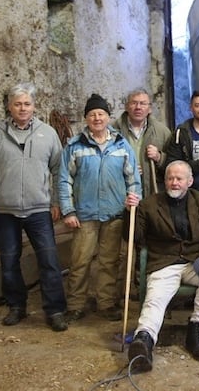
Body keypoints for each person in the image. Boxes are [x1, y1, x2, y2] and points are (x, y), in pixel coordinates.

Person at [0, 83, 68, 332]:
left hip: (39, 210)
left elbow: (59, 171)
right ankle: (17, 306)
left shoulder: (48, 133)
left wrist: (57, 202)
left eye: (27, 103)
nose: (22, 108)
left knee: (49, 260)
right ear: (9, 107)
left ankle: (55, 310)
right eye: (17, 104)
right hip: (4, 211)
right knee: (9, 261)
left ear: (34, 106)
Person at [125, 161, 199, 372]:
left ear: (189, 181)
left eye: (179, 179)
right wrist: (129, 213)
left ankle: (197, 328)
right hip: (164, 262)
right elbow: (134, 236)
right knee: (155, 300)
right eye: (170, 178)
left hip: (193, 260)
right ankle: (144, 341)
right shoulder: (149, 204)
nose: (174, 182)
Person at [58, 93, 141, 321]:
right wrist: (68, 210)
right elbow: (64, 180)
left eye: (101, 113)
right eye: (92, 114)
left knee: (108, 261)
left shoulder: (121, 145)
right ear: (86, 119)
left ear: (107, 117)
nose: (97, 118)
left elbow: (133, 179)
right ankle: (75, 305)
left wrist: (134, 198)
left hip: (114, 214)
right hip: (84, 215)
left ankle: (106, 303)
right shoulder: (74, 146)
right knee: (80, 261)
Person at [114, 88, 171, 199]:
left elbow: (174, 163)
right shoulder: (113, 131)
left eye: (143, 103)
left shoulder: (162, 132)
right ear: (126, 107)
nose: (138, 107)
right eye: (134, 103)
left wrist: (159, 157)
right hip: (120, 193)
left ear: (149, 108)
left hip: (152, 194)